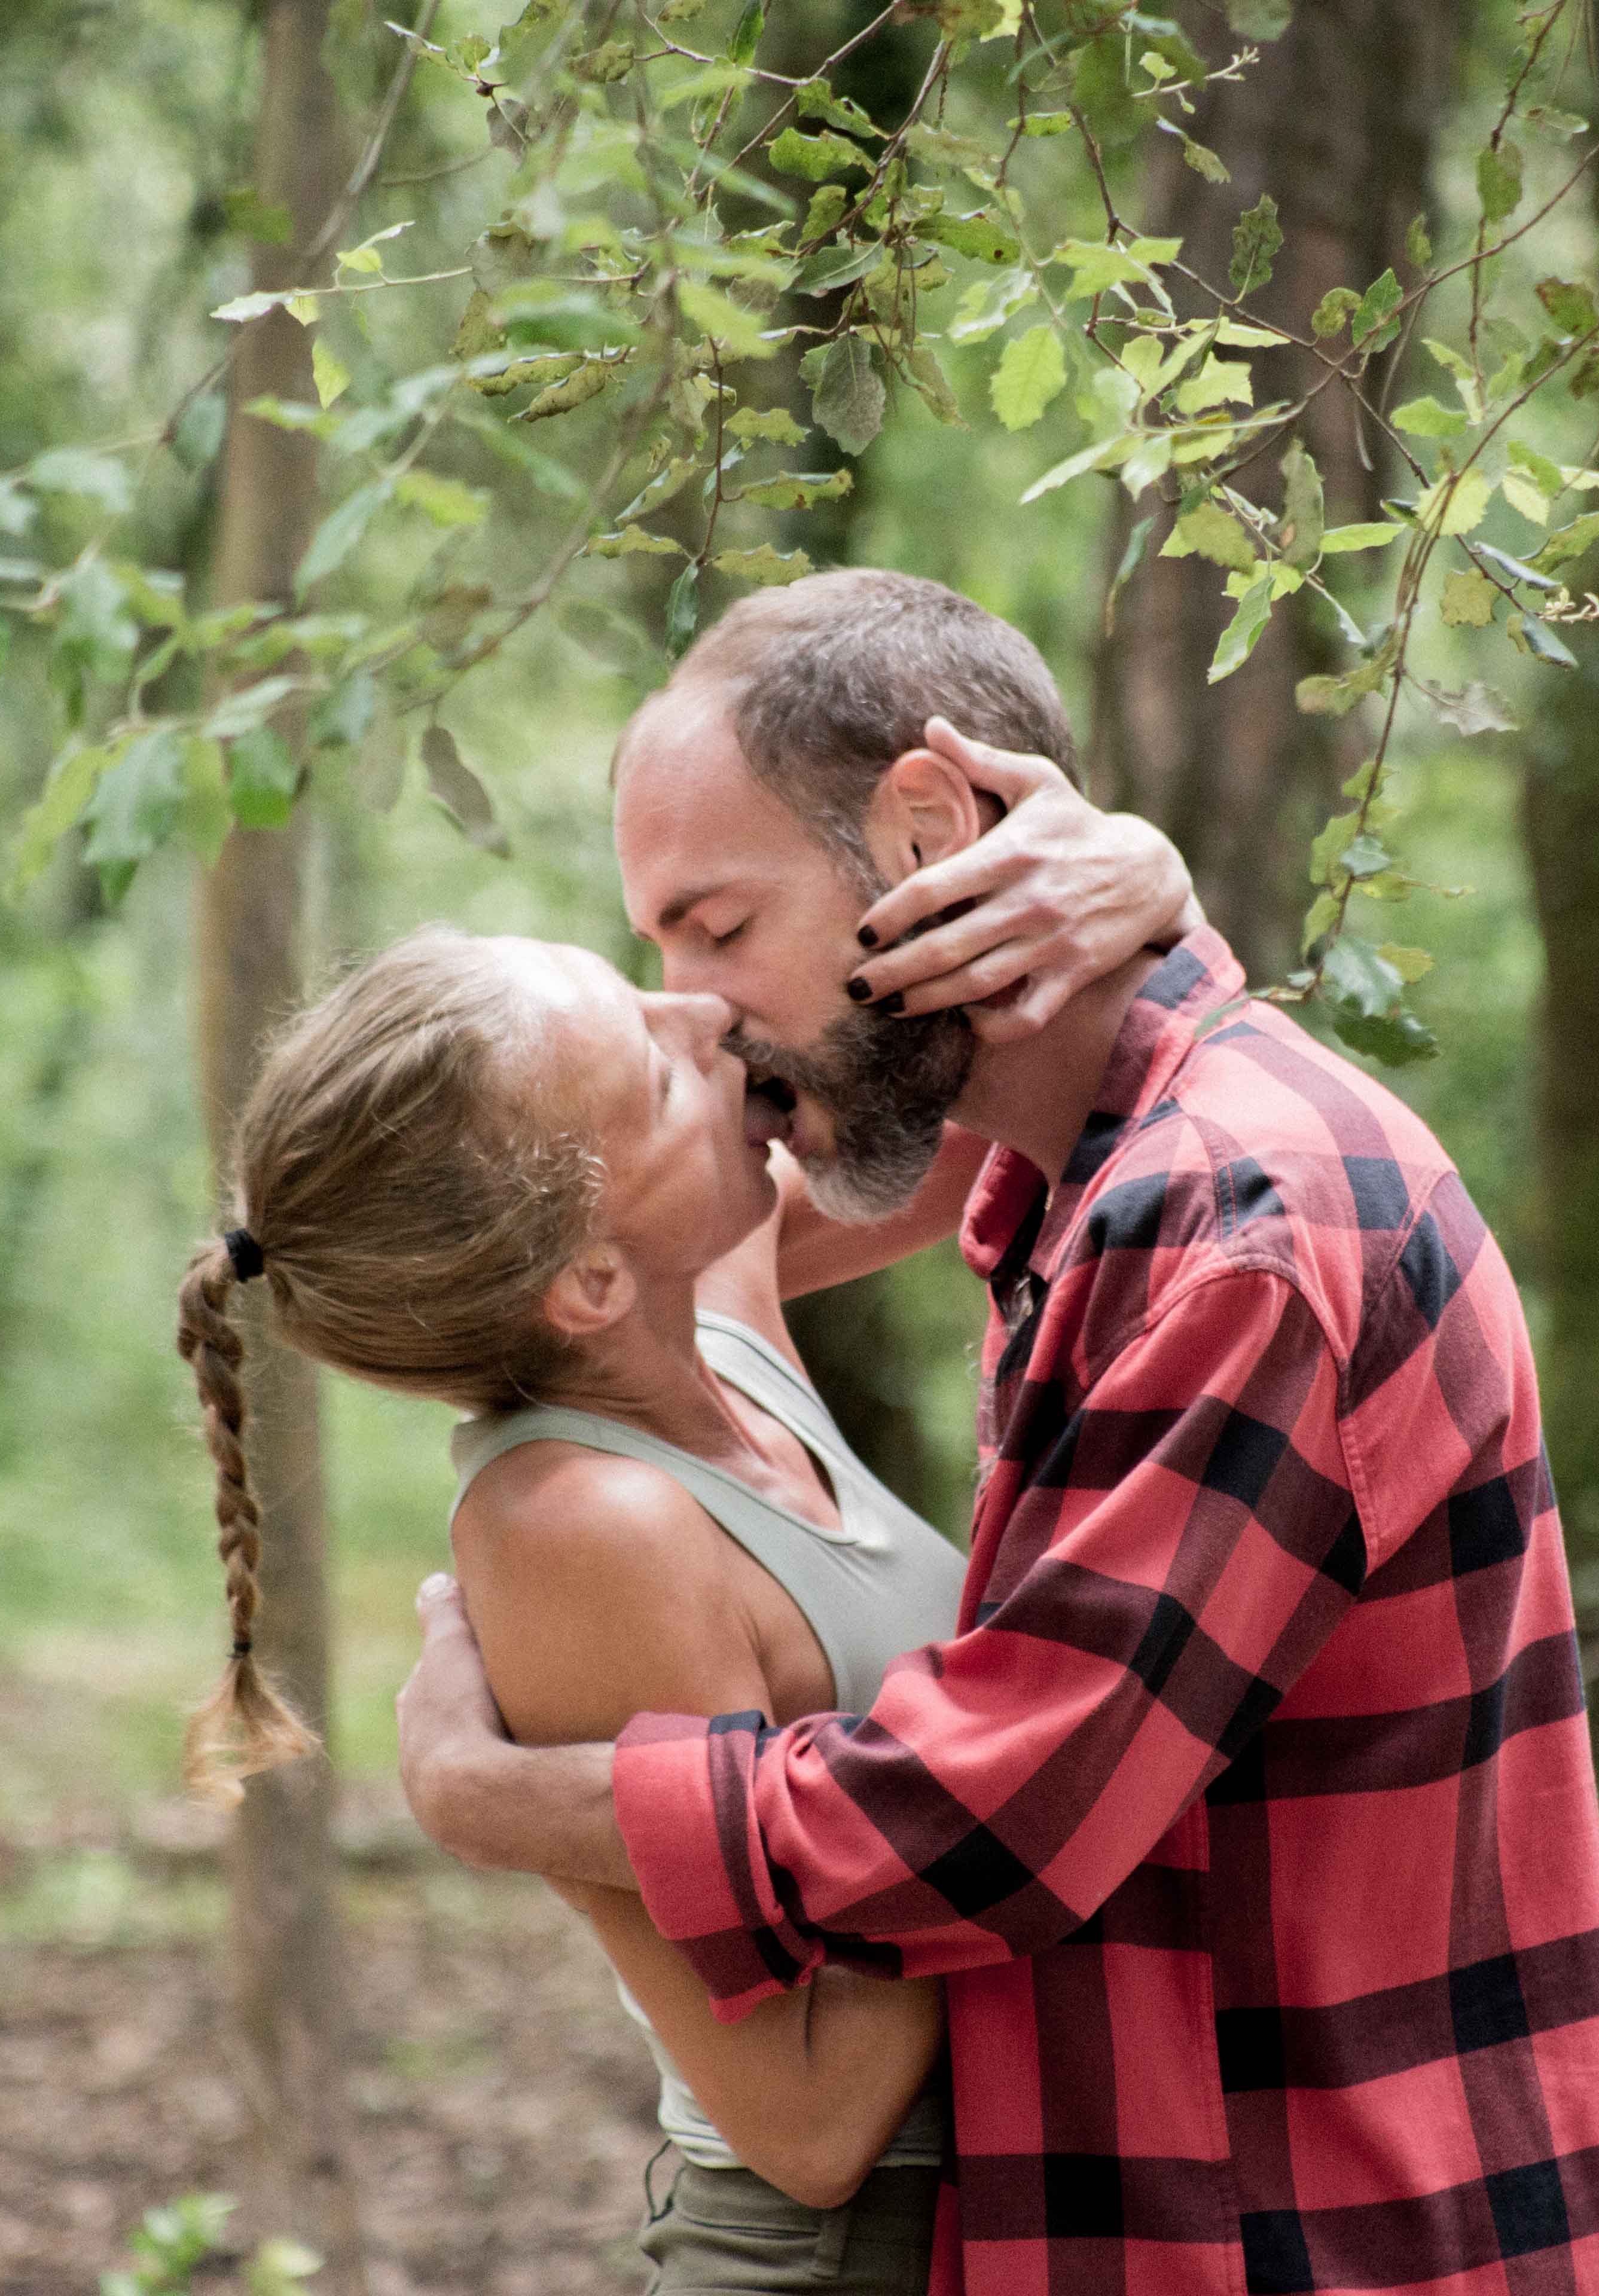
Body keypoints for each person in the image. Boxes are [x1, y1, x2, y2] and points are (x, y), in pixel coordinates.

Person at [393, 569, 1599, 2296]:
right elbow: (612, 1258)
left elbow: (998, 1821)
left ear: (926, 827)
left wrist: (504, 1800)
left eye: (720, 928)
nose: (692, 1006)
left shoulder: (1240, 1230)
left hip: (1323, 2234)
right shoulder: (1100, 1178)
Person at [171, 792, 1198, 2288]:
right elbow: (813, 2115)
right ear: (587, 1279)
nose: (704, 1016)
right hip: (851, 2253)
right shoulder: (584, 1524)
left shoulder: (713, 1306)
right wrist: (1002, 1752)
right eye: (651, 1069)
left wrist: (1142, 878)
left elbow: (1047, 1117)